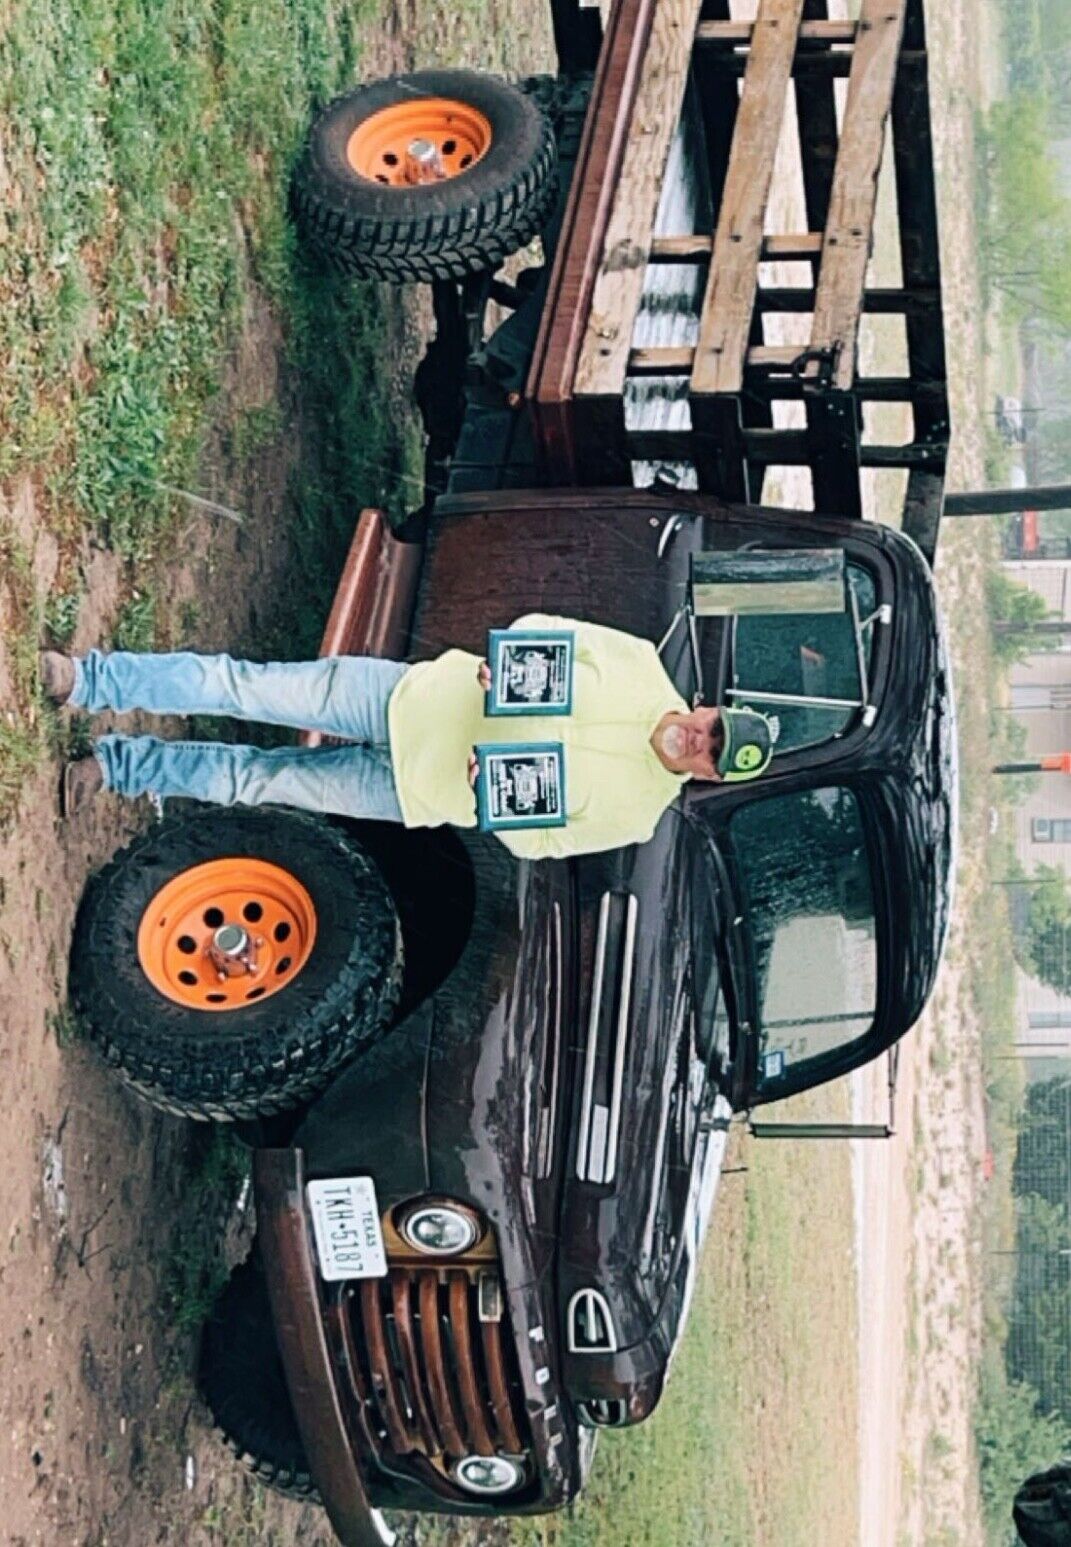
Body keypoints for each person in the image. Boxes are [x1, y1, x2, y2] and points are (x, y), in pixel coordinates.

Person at [43, 612, 775, 860]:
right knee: (244, 685)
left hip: (411, 790)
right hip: (405, 696)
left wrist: (489, 793)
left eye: (712, 755)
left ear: (709, 778)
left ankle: (117, 767)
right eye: (711, 728)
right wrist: (503, 666)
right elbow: (547, 630)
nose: (697, 741)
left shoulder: (636, 817)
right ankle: (89, 680)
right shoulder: (640, 662)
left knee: (256, 780)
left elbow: (541, 841)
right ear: (708, 707)